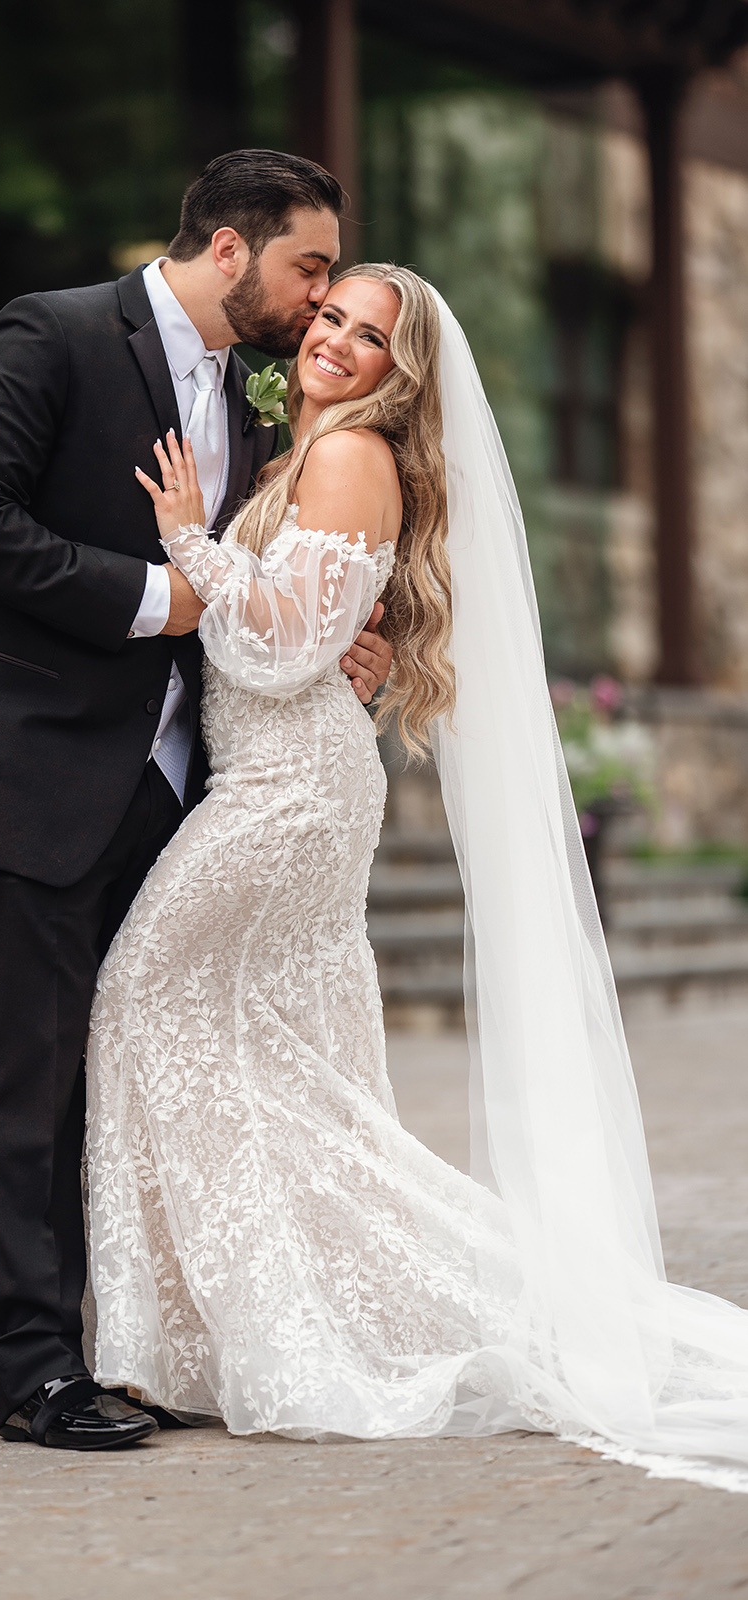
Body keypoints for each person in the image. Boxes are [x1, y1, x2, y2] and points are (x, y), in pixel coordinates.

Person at [87, 263, 748, 1492]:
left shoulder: (348, 460)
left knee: (144, 992)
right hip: (278, 780)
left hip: (288, 793)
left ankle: (190, 1336)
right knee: (270, 1057)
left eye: (366, 333)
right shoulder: (314, 448)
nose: (334, 340)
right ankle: (212, 1330)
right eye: (329, 315)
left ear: (405, 371)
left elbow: (280, 652)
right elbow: (316, 626)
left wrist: (190, 545)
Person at [0, 150, 394, 1452]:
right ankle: (34, 1368)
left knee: (129, 1071)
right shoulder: (49, 335)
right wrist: (166, 598)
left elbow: (271, 584)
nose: (317, 299)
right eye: (306, 269)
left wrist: (330, 641)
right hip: (23, 767)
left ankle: (132, 1341)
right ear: (228, 251)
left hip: (173, 790)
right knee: (24, 1082)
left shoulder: (259, 401)